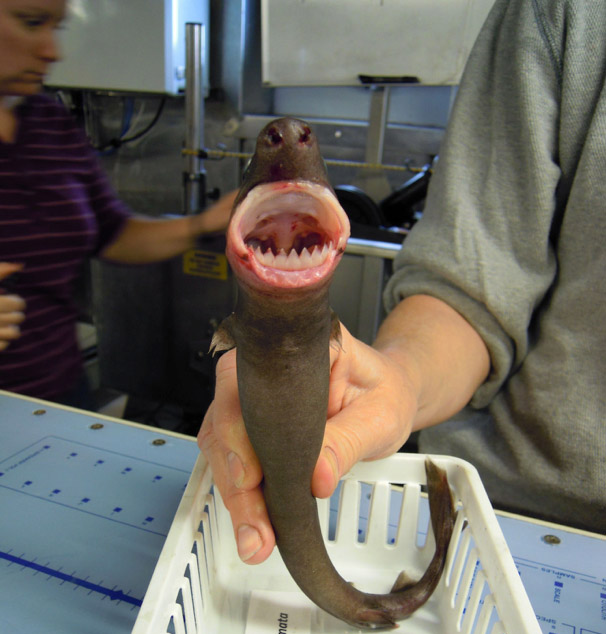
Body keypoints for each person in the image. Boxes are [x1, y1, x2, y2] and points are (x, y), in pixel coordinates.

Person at [198, 0, 605, 556]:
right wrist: (400, 383)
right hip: (491, 505)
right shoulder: (558, 12)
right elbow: (472, 284)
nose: (288, 139)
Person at [0, 0, 235, 406]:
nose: (52, 52)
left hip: (58, 396)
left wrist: (206, 223)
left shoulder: (48, 123)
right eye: (31, 22)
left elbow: (112, 232)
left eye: (56, 27)